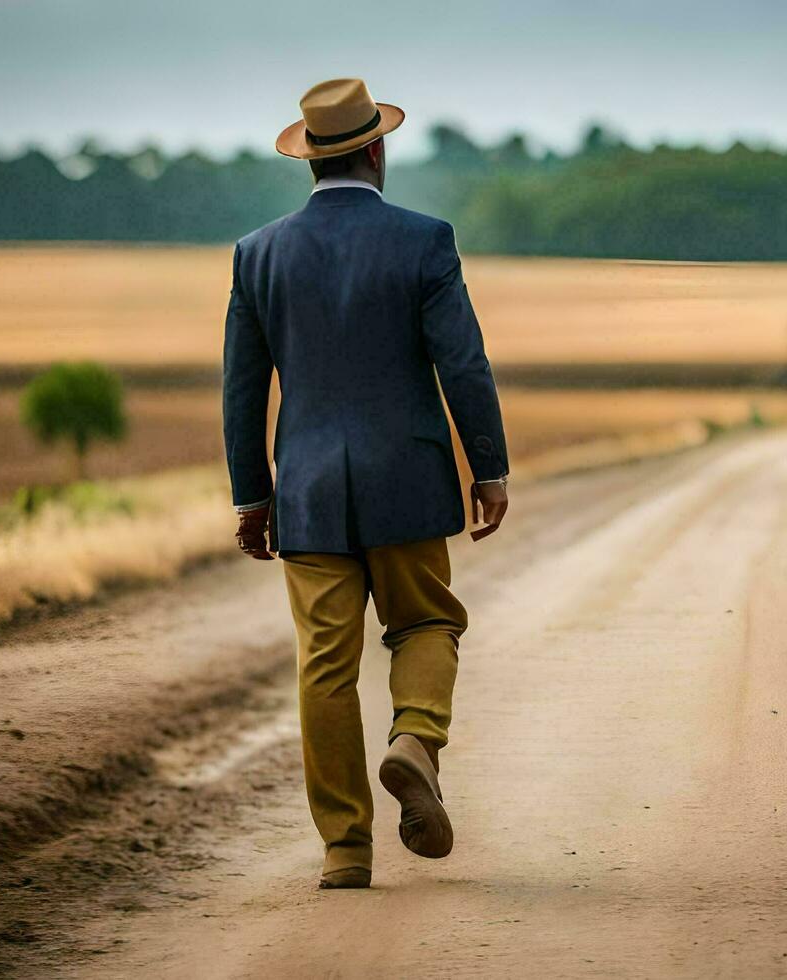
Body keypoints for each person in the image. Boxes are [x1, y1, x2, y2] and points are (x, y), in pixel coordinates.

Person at [223, 78, 509, 890]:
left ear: (308, 160)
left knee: (324, 665)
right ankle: (414, 739)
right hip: (408, 481)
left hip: (308, 490)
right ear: (377, 149)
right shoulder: (426, 240)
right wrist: (487, 466)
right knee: (425, 622)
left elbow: (243, 388)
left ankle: (345, 850)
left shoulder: (258, 254)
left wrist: (253, 495)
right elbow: (464, 362)